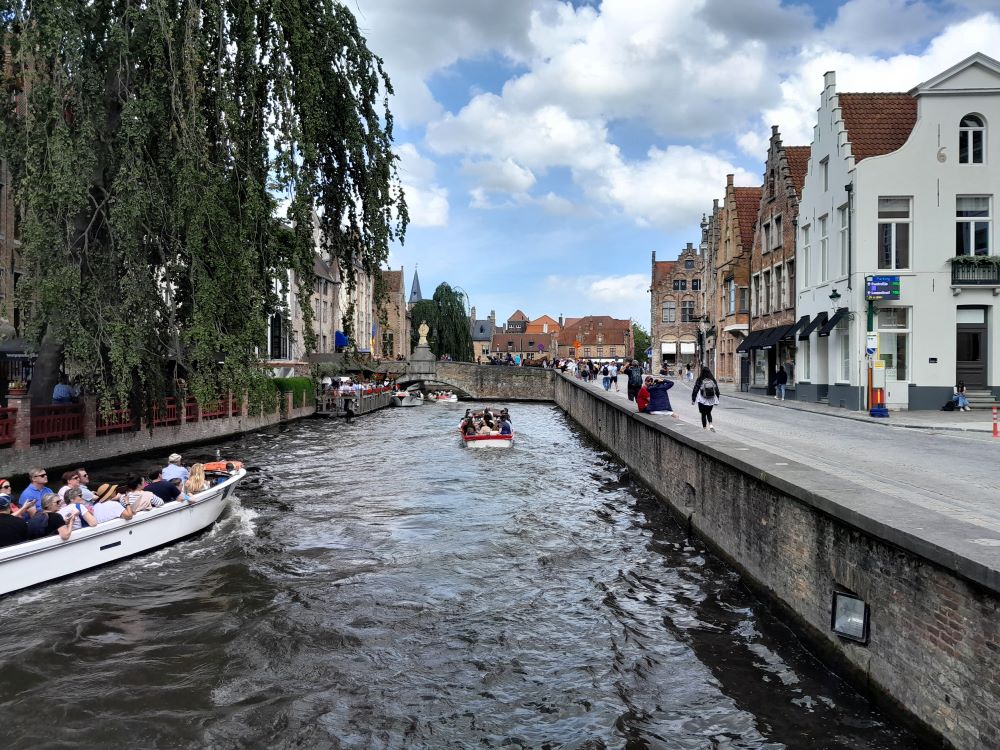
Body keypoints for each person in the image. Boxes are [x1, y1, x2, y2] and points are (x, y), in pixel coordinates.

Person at [692, 366, 721, 431]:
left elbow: (695, 389)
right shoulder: (712, 379)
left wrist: (693, 399)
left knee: (703, 414)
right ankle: (711, 425)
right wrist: (717, 399)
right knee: (709, 412)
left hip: (702, 399)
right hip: (711, 399)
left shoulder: (700, 379)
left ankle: (704, 428)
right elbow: (717, 390)